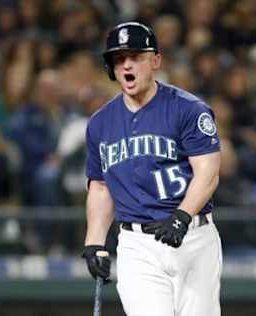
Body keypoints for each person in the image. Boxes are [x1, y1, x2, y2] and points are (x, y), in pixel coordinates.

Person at [82, 22, 223, 316]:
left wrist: (182, 216)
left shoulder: (188, 109)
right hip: (137, 245)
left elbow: (208, 171)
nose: (127, 65)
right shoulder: (100, 123)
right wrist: (94, 241)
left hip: (193, 240)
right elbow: (101, 185)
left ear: (155, 61)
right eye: (119, 59)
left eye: (136, 56)